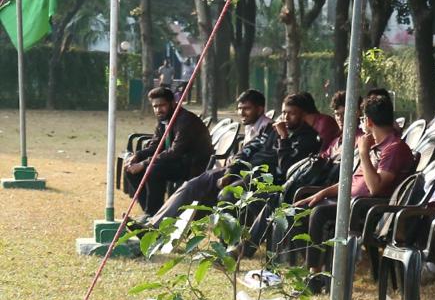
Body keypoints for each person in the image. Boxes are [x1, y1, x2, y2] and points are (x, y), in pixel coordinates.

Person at [139, 93, 323, 226]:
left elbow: (286, 169)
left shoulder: (307, 139)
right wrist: (230, 171)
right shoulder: (271, 130)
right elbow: (246, 150)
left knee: (225, 194)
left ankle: (229, 243)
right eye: (284, 113)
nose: (285, 118)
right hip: (240, 170)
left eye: (292, 113)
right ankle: (155, 225)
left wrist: (283, 139)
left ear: (303, 115)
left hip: (263, 178)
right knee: (192, 186)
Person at [294, 95, 415, 287]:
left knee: (319, 213)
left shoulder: (394, 148)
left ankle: (314, 278)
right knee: (299, 211)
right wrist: (322, 193)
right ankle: (317, 270)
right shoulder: (375, 145)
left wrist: (364, 153)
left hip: (370, 211)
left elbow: (375, 187)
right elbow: (352, 182)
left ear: (368, 121)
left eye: (362, 119)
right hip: (352, 202)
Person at [122, 87, 215, 215]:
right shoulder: (163, 119)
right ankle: (151, 213)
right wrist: (137, 156)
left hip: (193, 165)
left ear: (173, 103)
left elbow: (175, 152)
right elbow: (156, 146)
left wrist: (144, 163)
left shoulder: (185, 120)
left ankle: (153, 214)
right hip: (177, 162)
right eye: (155, 106)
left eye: (162, 105)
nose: (158, 110)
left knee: (153, 170)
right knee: (130, 169)